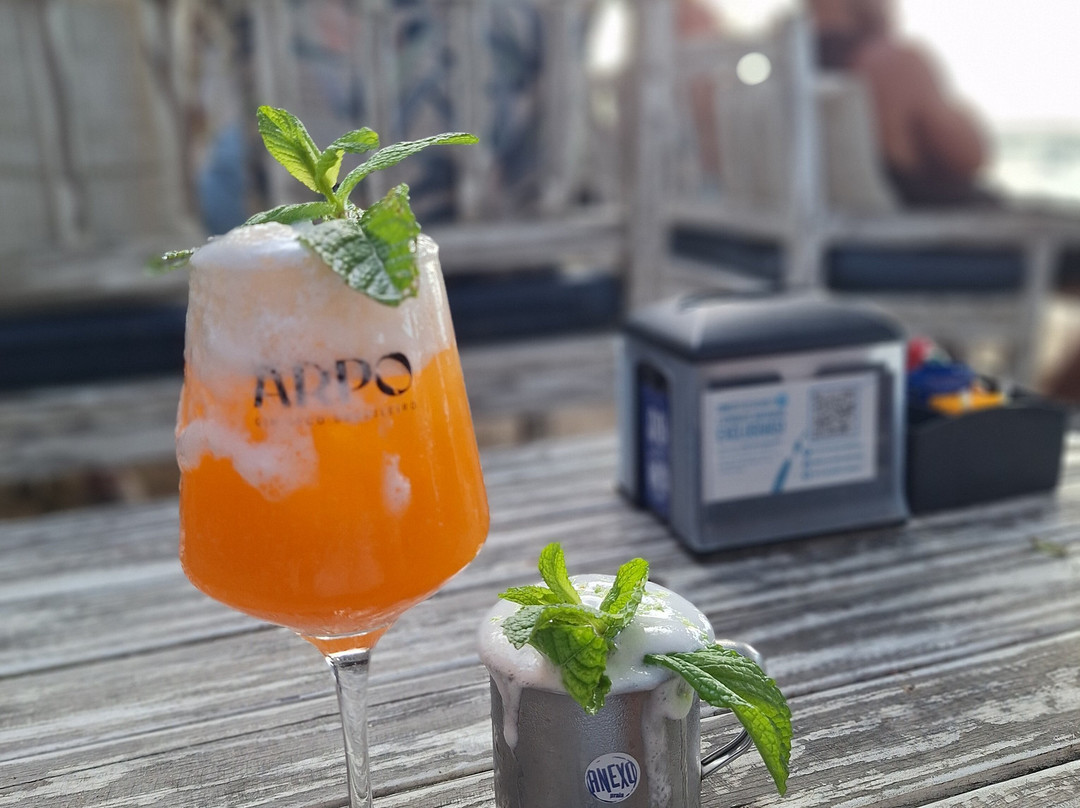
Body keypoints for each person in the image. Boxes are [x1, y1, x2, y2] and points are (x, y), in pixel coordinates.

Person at [809, 0, 994, 208]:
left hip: (833, 220)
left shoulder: (792, 73)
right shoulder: (893, 61)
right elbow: (970, 156)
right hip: (925, 219)